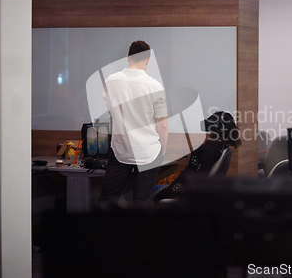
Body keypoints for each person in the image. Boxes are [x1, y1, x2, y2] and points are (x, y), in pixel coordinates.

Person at [99, 40, 168, 207]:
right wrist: (163, 151)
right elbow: (162, 125)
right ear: (148, 60)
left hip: (120, 148)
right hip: (148, 151)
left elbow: (111, 111)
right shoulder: (154, 85)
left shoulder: (111, 81)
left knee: (108, 199)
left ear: (128, 57)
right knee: (142, 203)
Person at [154, 111, 241, 201]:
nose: (207, 121)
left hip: (183, 190)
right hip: (185, 187)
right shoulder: (220, 145)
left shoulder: (211, 147)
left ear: (219, 127)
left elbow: (199, 176)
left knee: (148, 189)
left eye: (211, 120)